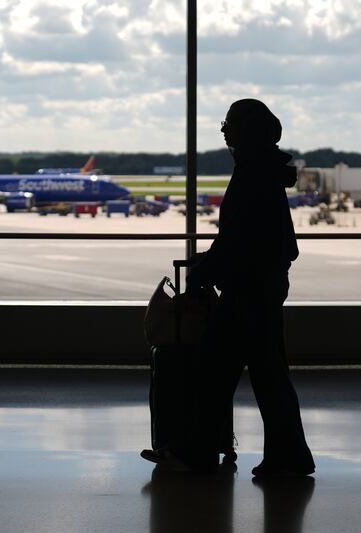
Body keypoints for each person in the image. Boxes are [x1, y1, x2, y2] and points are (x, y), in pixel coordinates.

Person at [143, 98, 315, 477]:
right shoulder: (263, 172)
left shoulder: (253, 175)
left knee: (219, 372)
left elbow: (240, 238)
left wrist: (207, 270)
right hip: (259, 286)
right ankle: (281, 455)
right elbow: (251, 237)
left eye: (230, 123)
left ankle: (201, 452)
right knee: (256, 375)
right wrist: (215, 260)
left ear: (247, 131)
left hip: (247, 290)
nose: (223, 130)